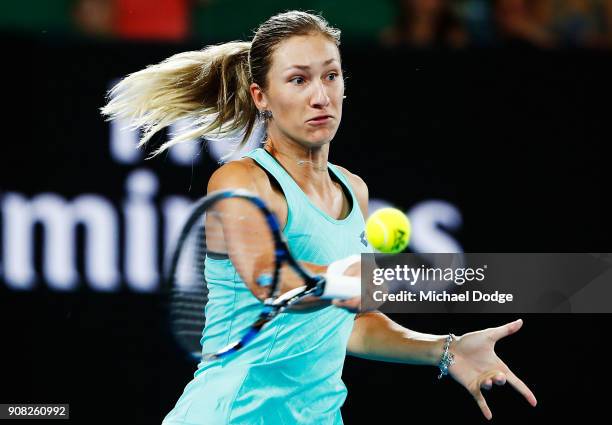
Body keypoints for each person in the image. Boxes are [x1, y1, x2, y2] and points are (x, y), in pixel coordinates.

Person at [101, 10, 537, 424]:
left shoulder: (354, 189)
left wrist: (447, 349)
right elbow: (270, 280)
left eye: (331, 75)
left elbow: (352, 327)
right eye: (298, 80)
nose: (320, 96)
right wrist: (348, 280)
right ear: (262, 97)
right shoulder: (241, 180)